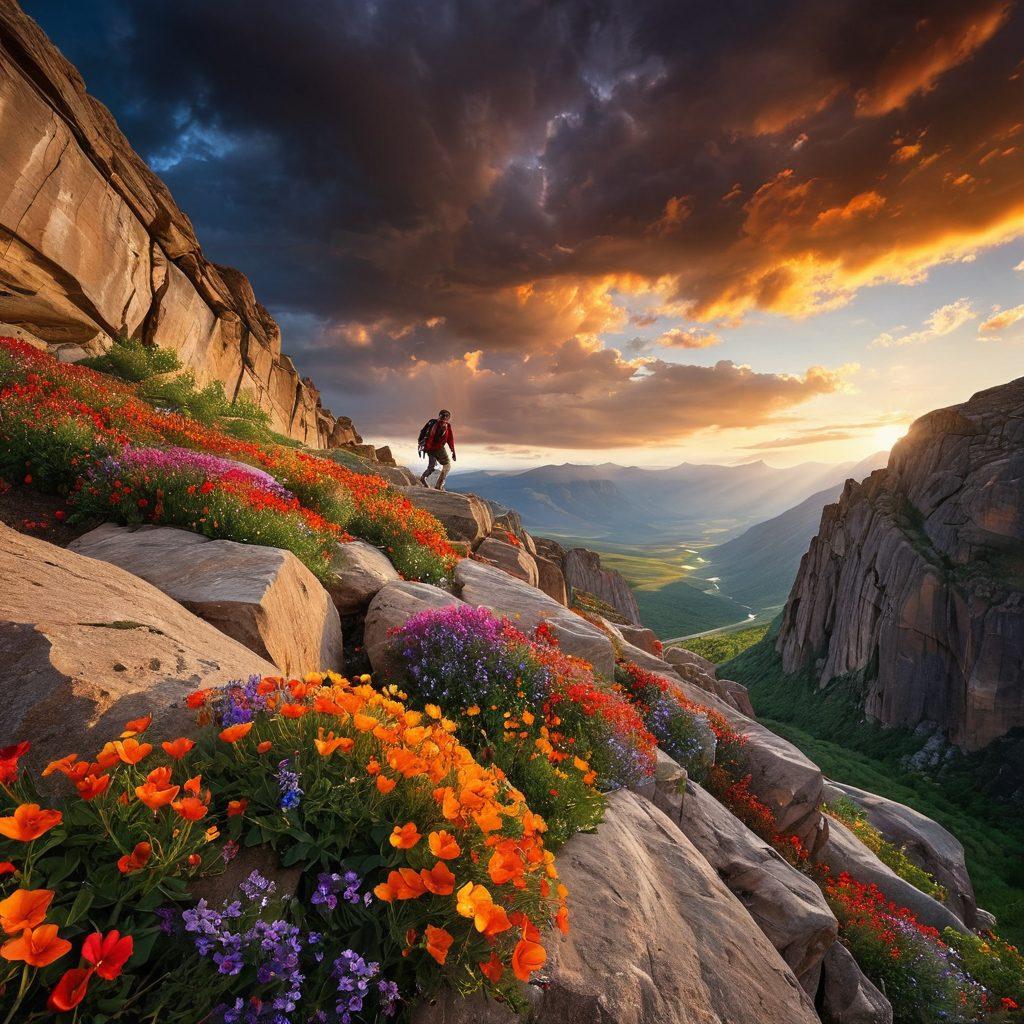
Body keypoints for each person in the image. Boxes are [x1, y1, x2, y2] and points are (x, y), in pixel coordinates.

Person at [418, 409, 456, 489]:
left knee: (432, 467)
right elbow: (450, 439)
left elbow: (423, 432)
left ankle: (423, 478)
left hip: (428, 448)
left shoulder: (432, 422)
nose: (445, 417)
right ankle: (439, 485)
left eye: (446, 416)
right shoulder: (446, 425)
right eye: (445, 415)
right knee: (447, 465)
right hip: (438, 448)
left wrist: (422, 444)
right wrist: (453, 451)